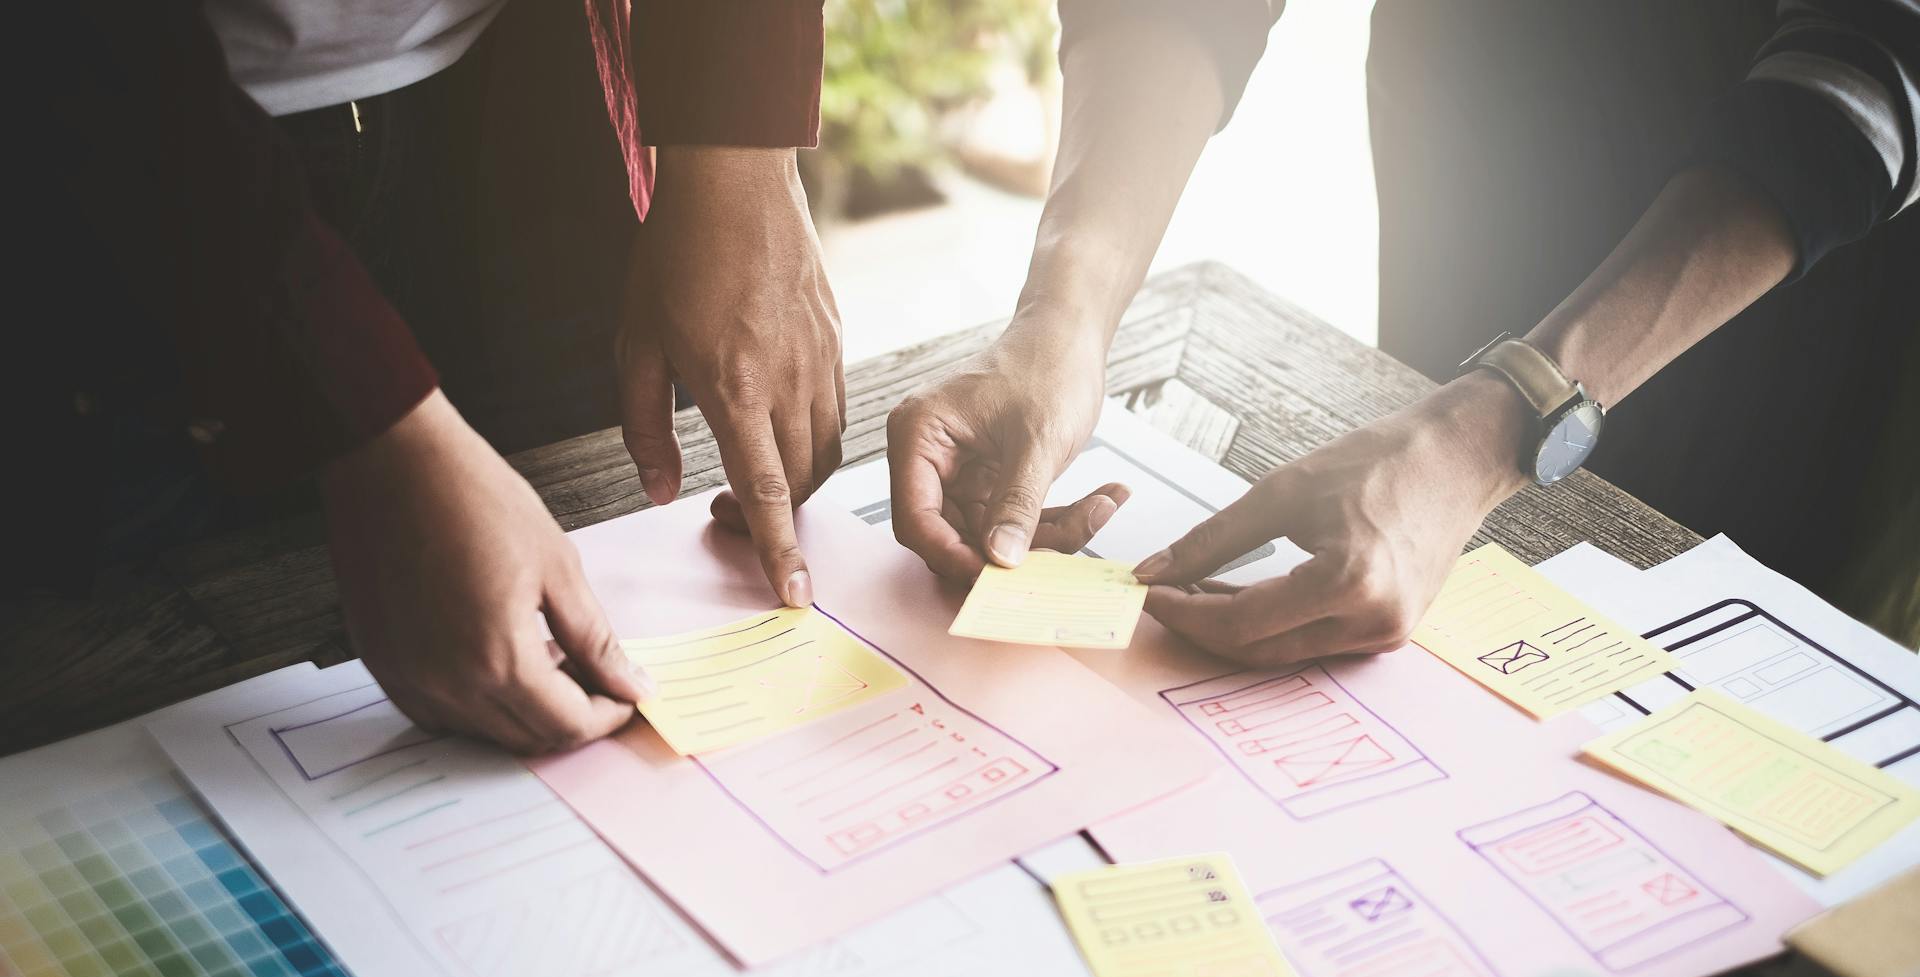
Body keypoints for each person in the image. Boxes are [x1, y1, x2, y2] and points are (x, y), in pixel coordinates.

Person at [886, 0, 1920, 656]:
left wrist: (1490, 427)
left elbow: (1875, 62)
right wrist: (1065, 308)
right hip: (1479, 129)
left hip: (1796, 277)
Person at [24, 1, 839, 755]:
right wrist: (368, 407)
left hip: (522, 96)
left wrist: (741, 141)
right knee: (101, 712)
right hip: (116, 174)